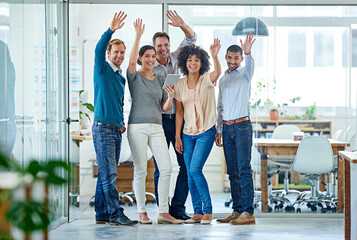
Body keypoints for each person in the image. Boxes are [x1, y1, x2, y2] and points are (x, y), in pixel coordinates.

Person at [126, 18, 183, 225]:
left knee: (167, 168)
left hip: (157, 126)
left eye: (153, 56)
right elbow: (131, 63)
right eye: (147, 56)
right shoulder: (134, 76)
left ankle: (163, 212)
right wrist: (138, 36)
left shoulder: (160, 79)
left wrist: (170, 97)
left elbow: (164, 107)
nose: (151, 59)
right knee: (141, 169)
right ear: (141, 58)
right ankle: (142, 212)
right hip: (137, 126)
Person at [92, 11, 138, 226]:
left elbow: (119, 102)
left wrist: (120, 122)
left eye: (122, 52)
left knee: (105, 172)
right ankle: (115, 214)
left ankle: (102, 213)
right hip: (102, 128)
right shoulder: (102, 69)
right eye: (116, 52)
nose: (119, 55)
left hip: (115, 129)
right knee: (110, 174)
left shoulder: (120, 77)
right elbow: (98, 48)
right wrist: (111, 30)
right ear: (109, 53)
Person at [152, 10, 197, 221]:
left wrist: (182, 24)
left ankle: (178, 208)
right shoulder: (148, 66)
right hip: (158, 122)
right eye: (159, 46)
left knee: (186, 166)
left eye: (165, 45)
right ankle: (163, 209)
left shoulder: (176, 58)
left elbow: (192, 38)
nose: (163, 49)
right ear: (153, 48)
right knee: (162, 167)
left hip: (179, 120)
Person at [174, 39, 221, 225]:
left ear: (202, 63)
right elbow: (179, 112)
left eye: (197, 60)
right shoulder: (180, 84)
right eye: (189, 60)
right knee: (190, 172)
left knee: (195, 170)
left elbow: (217, 73)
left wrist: (216, 56)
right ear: (185, 63)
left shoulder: (206, 80)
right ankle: (198, 212)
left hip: (205, 132)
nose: (193, 63)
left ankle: (208, 211)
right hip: (187, 133)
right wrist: (177, 136)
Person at [215, 33, 256, 225]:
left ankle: (248, 212)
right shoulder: (222, 80)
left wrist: (248, 53)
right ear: (226, 57)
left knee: (244, 169)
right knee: (232, 171)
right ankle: (237, 210)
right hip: (227, 128)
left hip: (242, 127)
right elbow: (220, 107)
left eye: (236, 58)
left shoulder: (245, 74)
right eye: (230, 58)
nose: (232, 61)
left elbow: (251, 66)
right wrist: (218, 129)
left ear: (240, 59)